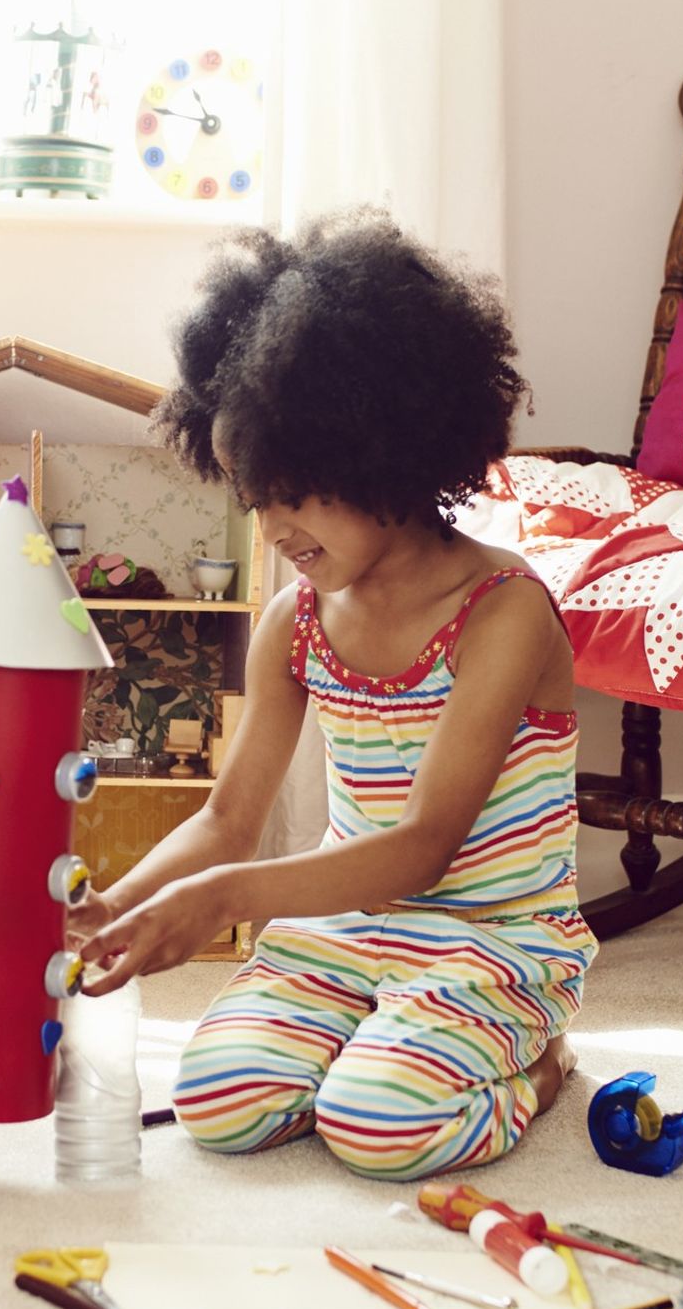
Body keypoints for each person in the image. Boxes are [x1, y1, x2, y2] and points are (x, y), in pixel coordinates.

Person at [71, 208, 593, 1181]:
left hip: (493, 938)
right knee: (218, 1105)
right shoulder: (296, 621)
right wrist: (119, 907)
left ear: (380, 452)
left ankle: (541, 1063)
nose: (272, 527)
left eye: (295, 492)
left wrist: (223, 899)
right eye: (254, 498)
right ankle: (377, 1039)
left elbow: (423, 848)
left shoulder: (502, 612)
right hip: (347, 927)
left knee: (378, 1128)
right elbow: (227, 819)